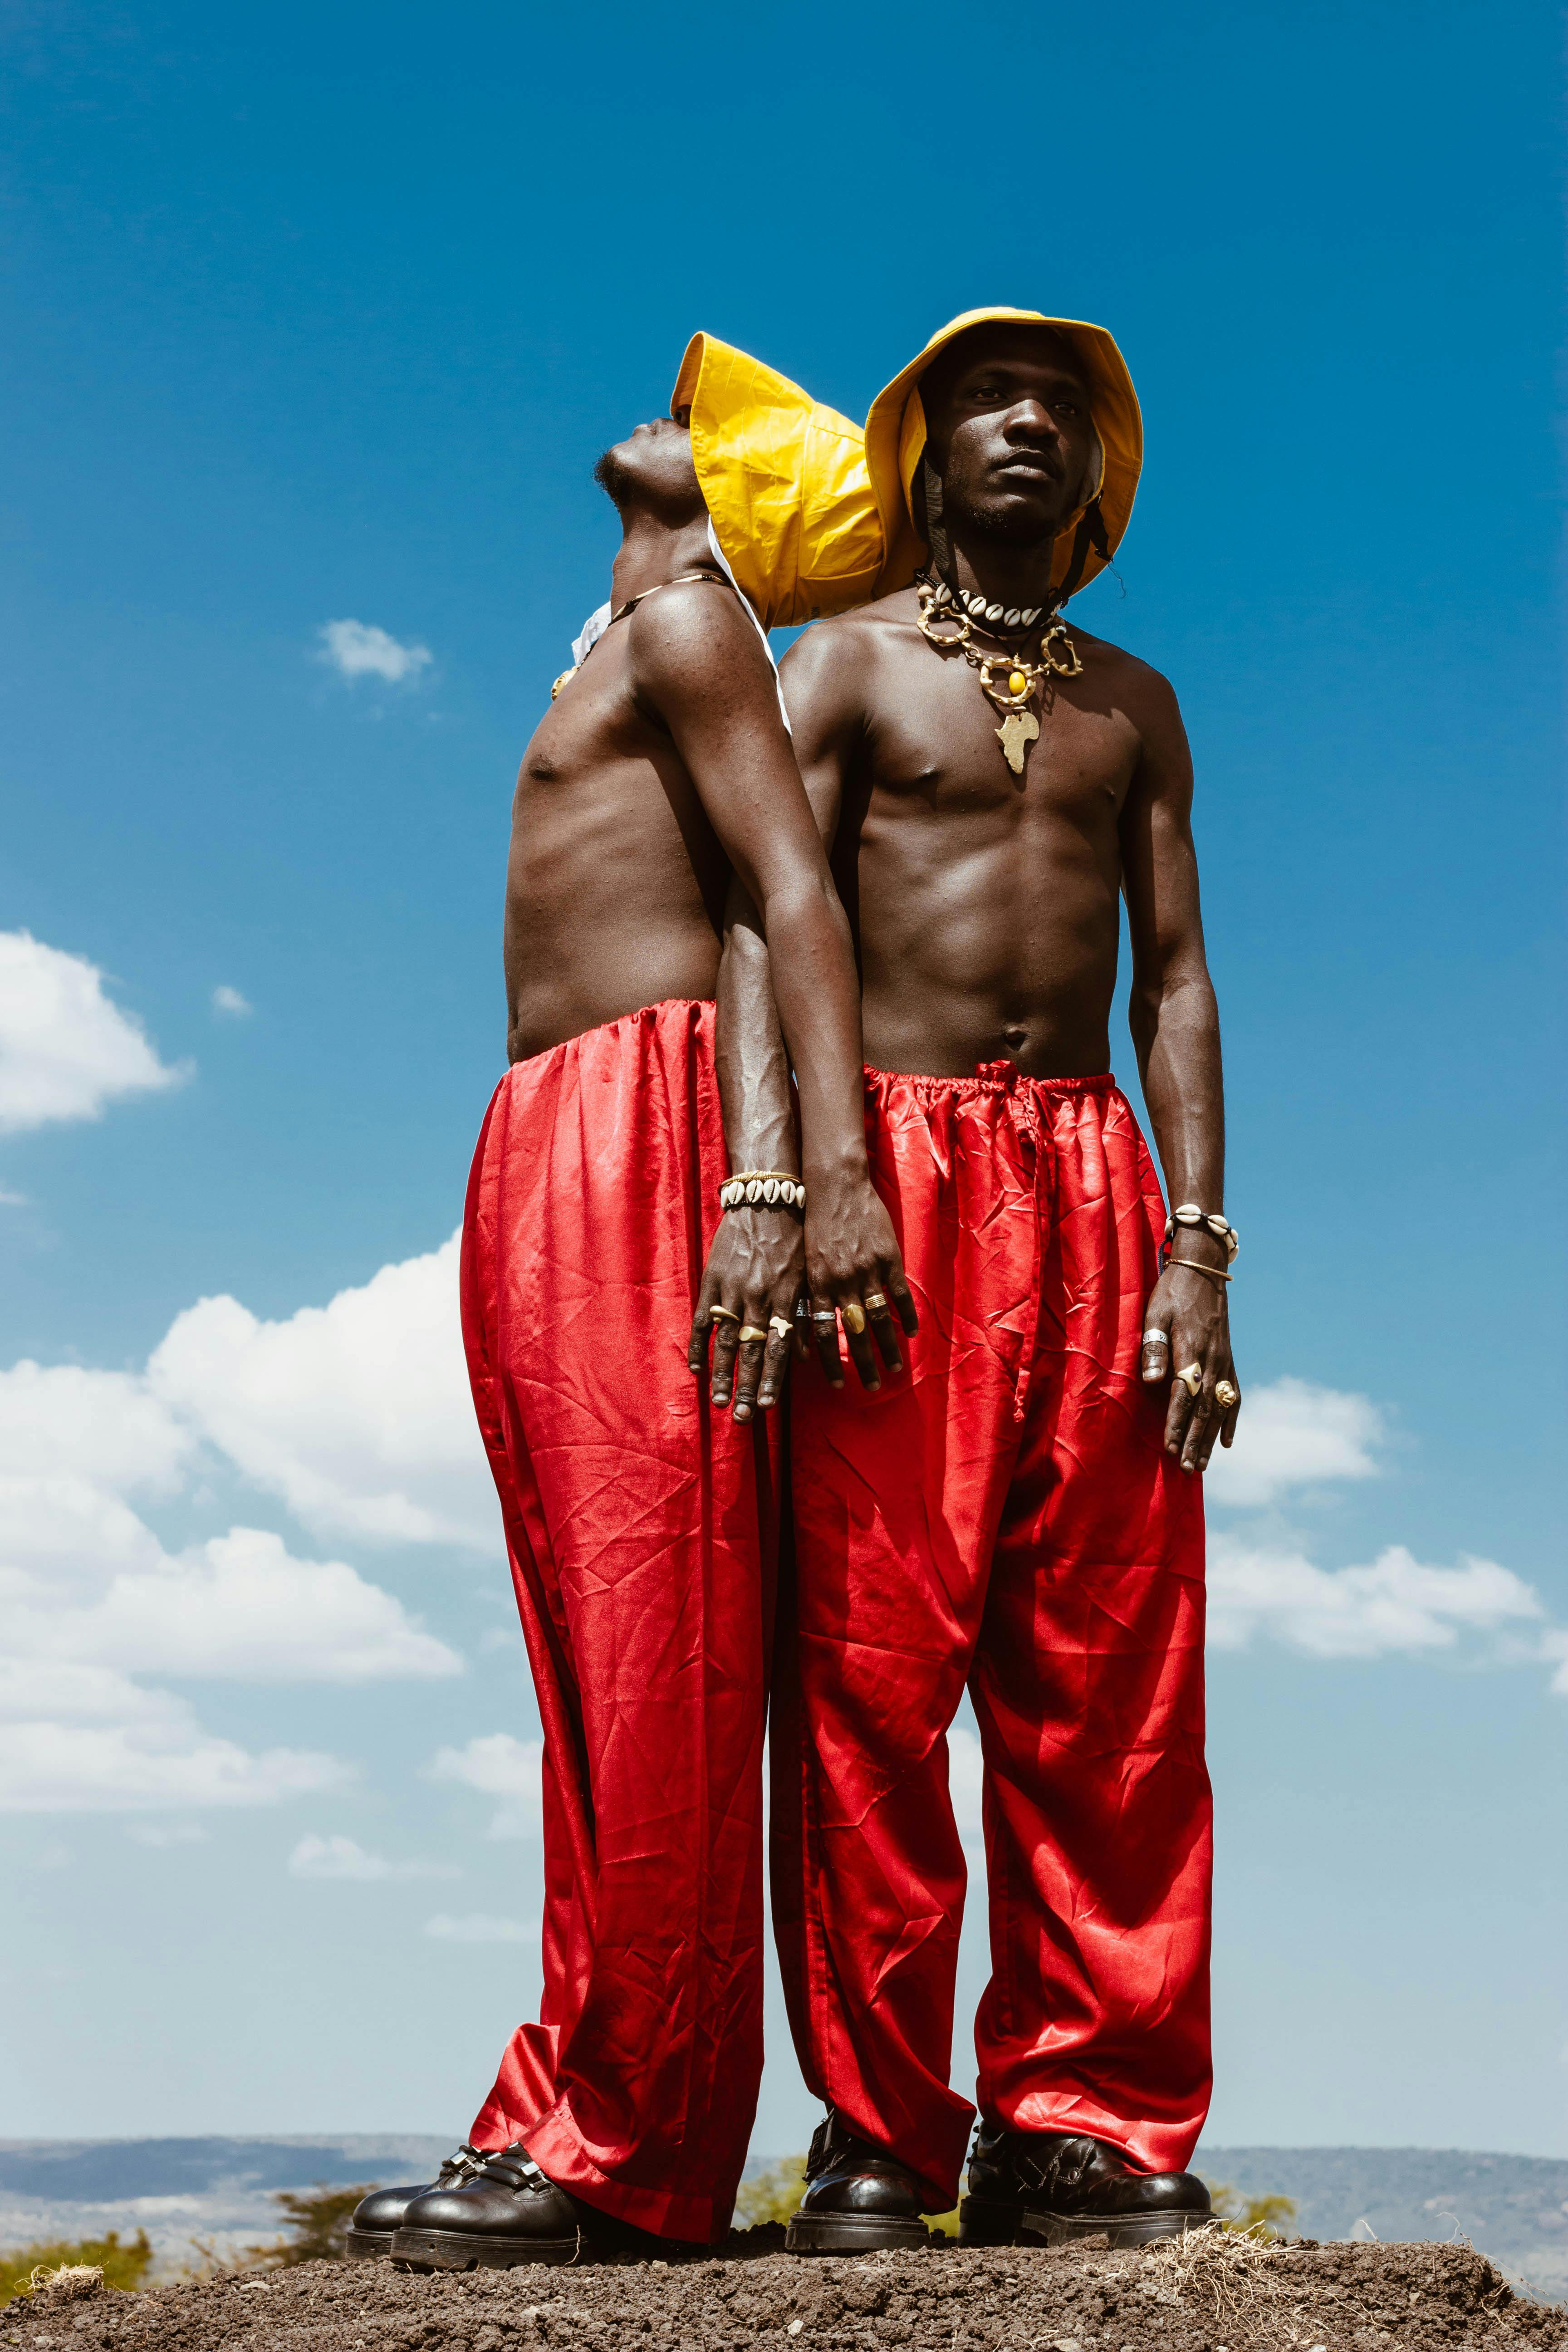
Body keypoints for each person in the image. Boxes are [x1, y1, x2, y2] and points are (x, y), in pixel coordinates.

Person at [699, 308, 1240, 2253]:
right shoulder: (835, 667)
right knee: (870, 1667)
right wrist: (797, 1172)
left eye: (1064, 407)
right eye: (988, 401)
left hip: (1096, 1178)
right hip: (894, 1176)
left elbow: (1174, 976)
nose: (1027, 426)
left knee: (1112, 1676)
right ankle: (879, 2131)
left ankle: (1079, 2122)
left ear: (1102, 473)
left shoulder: (1137, 703)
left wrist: (1201, 1245)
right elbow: (771, 927)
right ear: (920, 453)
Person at [372, 337, 915, 2273]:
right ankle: (583, 2104)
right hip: (546, 1125)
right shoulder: (618, 637)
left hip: (654, 1125)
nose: (667, 415)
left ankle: (636, 2154)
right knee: (592, 1653)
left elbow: (792, 892)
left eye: (710, 420)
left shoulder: (696, 622)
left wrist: (788, 1177)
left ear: (742, 499)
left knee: (660, 1638)